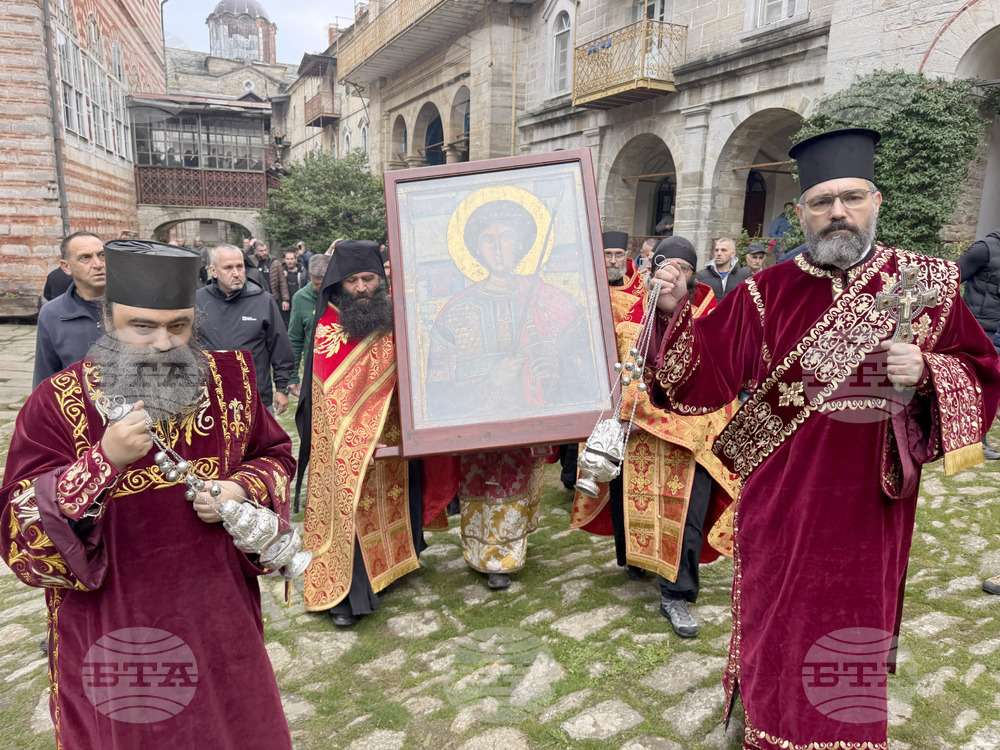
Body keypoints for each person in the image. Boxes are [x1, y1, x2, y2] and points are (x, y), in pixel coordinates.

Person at [646, 128, 1000, 750]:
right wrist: (676, 312)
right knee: (779, 609)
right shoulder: (764, 293)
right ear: (801, 212)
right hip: (784, 492)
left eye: (853, 197)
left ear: (876, 202)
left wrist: (928, 372)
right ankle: (772, 722)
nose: (839, 211)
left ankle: (847, 730)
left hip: (873, 496)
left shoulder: (929, 284)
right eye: (821, 200)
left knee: (852, 616)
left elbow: (982, 370)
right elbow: (695, 381)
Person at [1, 240, 294, 749]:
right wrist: (102, 461)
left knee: (236, 728)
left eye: (179, 327)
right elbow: (18, 530)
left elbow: (277, 456)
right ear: (109, 320)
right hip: (113, 624)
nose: (163, 343)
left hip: (218, 612)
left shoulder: (232, 380)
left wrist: (238, 487)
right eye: (142, 326)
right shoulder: (55, 403)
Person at [425, 199, 599, 589]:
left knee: (517, 483)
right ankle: (484, 555)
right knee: (481, 483)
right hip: (478, 421)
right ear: (475, 250)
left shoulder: (553, 301)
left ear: (522, 243)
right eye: (488, 241)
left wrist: (555, 370)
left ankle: (510, 551)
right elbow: (437, 386)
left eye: (507, 238)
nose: (499, 248)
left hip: (526, 420)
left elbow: (581, 364)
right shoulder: (456, 311)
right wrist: (489, 380)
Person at [573, 236, 739, 637]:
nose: (670, 276)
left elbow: (714, 369)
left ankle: (677, 594)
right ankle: (636, 559)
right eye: (664, 266)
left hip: (692, 431)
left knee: (688, 514)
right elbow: (613, 363)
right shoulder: (632, 309)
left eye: (680, 270)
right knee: (632, 499)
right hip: (640, 424)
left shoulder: (709, 312)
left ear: (691, 276)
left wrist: (673, 311)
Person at [298, 241, 426, 626]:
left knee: (394, 496)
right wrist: (354, 438)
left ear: (381, 280)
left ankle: (390, 567)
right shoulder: (327, 330)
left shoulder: (392, 318)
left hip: (390, 435)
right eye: (352, 280)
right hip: (343, 442)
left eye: (368, 278)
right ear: (339, 284)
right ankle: (349, 595)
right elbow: (329, 396)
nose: (361, 288)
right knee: (349, 506)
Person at [196, 245, 293, 415]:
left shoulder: (263, 301)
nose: (236, 273)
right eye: (228, 268)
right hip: (210, 400)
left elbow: (280, 348)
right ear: (213, 271)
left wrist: (282, 387)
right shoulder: (197, 301)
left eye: (240, 267)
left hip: (256, 398)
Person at [33, 232, 106, 389]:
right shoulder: (52, 314)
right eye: (85, 257)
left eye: (102, 255)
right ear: (66, 267)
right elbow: (45, 375)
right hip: (78, 409)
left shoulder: (133, 306)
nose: (98, 264)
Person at [957, 227, 1000, 460]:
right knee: (979, 386)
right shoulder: (984, 249)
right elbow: (951, 279)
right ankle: (976, 442)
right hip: (981, 330)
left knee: (993, 389)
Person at [287, 253, 330, 398]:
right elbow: (294, 339)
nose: (320, 288)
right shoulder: (300, 298)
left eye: (324, 284)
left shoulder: (342, 295)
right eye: (316, 284)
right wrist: (293, 376)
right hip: (313, 373)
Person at [277, 248, 304, 327]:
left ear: (296, 259)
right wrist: (283, 300)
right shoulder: (281, 272)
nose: (289, 261)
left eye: (291, 259)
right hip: (285, 306)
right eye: (287, 259)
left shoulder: (302, 272)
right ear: (285, 260)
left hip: (298, 305)